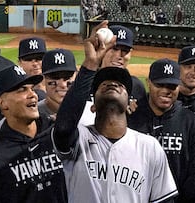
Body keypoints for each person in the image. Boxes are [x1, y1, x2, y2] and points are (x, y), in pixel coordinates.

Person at [52, 20, 178, 202]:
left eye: (121, 85)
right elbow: (63, 128)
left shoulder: (149, 148)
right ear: (92, 105)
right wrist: (90, 64)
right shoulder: (79, 138)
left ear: (130, 105)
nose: (112, 84)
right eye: (103, 85)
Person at [0, 65, 67, 202]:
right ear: (3, 103)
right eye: (22, 90)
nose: (33, 94)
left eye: (32, 89)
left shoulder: (55, 132)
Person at [128, 58, 195, 203]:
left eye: (172, 86)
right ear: (148, 82)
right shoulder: (130, 118)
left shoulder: (192, 123)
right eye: (160, 85)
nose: (166, 91)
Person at [79, 24, 147, 125]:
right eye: (114, 49)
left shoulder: (137, 87)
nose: (119, 55)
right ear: (102, 49)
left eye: (125, 50)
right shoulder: (85, 82)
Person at [38, 48, 77, 120]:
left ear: (76, 76)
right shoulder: (33, 115)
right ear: (43, 79)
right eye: (55, 77)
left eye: (67, 77)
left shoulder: (90, 112)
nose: (63, 85)